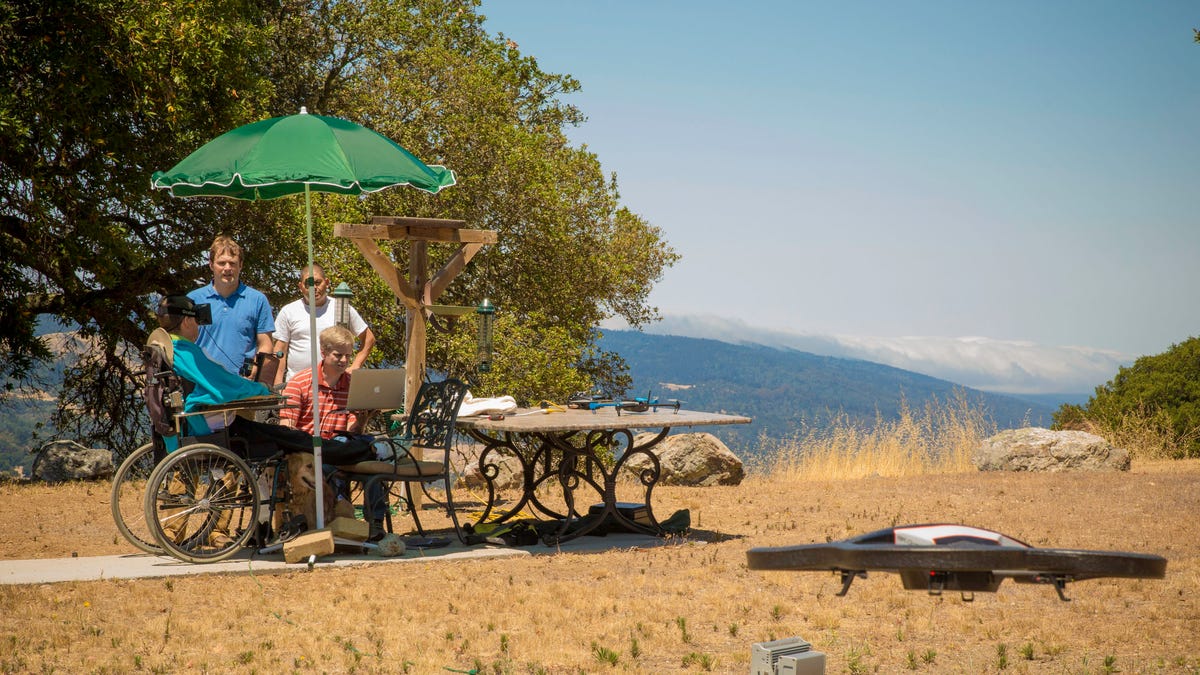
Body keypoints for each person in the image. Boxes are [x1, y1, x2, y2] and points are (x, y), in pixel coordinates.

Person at [153, 294, 380, 467]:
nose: (199, 326)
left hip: (198, 423)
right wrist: (260, 389)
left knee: (287, 436)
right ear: (186, 321)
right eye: (195, 321)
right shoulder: (186, 351)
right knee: (292, 438)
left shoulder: (167, 349)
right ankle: (368, 451)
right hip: (212, 427)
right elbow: (224, 385)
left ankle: (362, 449)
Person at [279, 324, 390, 538]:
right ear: (323, 352)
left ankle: (375, 523)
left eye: (348, 356)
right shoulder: (301, 383)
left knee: (373, 466)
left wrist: (362, 417)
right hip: (310, 449)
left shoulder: (352, 385)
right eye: (338, 355)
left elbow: (351, 431)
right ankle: (337, 517)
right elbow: (287, 428)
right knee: (333, 461)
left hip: (341, 448)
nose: (344, 361)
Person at [188, 235, 275, 378]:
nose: (227, 268)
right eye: (221, 263)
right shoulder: (193, 299)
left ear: (240, 265)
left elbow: (266, 344)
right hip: (202, 383)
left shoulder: (257, 300)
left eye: (232, 263)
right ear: (211, 264)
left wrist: (255, 368)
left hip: (242, 385)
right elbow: (184, 342)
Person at [273, 264, 375, 386]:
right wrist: (278, 386)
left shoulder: (341, 308)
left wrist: (355, 366)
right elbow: (280, 351)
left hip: (334, 386)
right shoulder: (289, 311)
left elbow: (369, 338)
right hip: (296, 385)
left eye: (317, 282)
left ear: (326, 282)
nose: (314, 288)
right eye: (308, 284)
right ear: (300, 286)